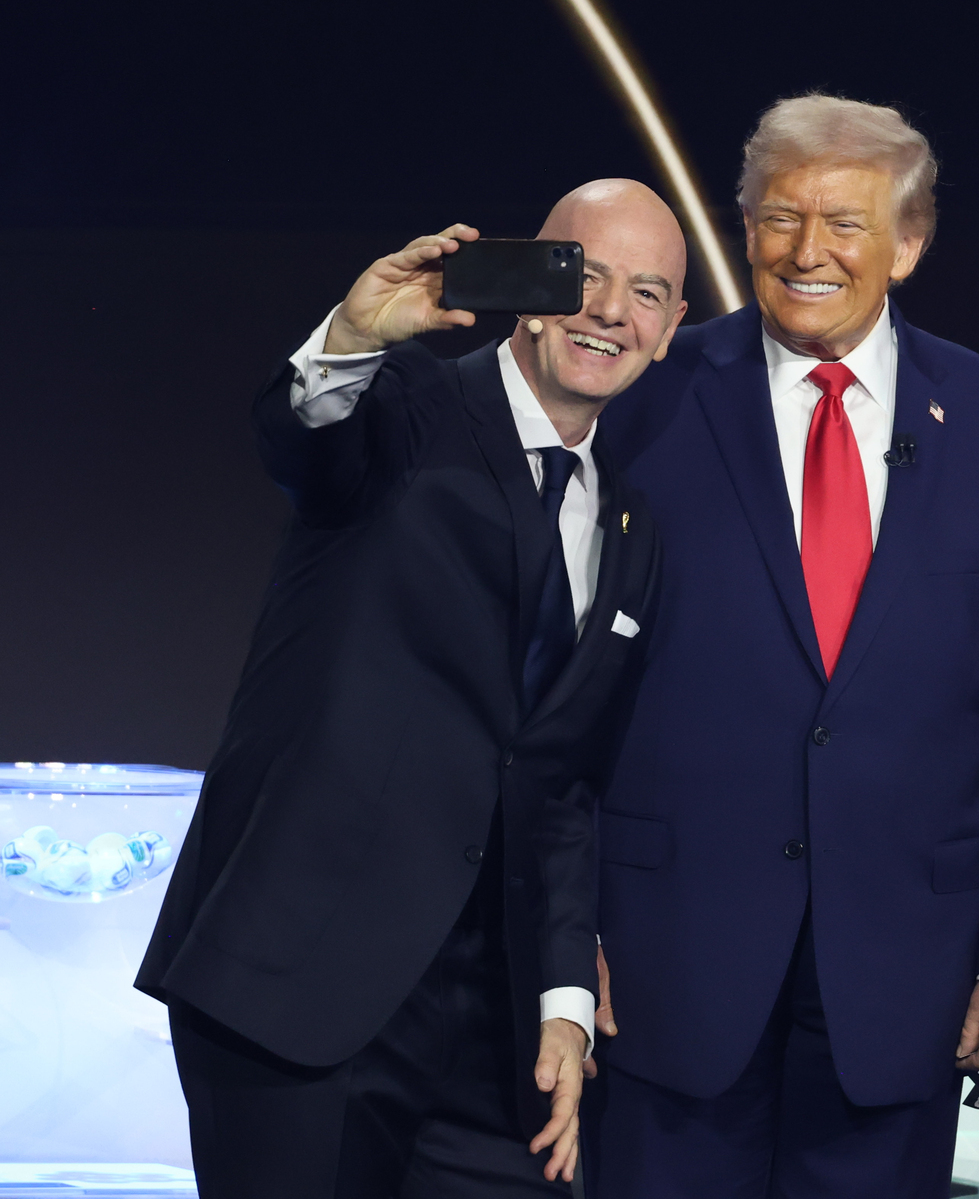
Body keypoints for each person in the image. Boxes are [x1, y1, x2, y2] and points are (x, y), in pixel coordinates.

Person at [136, 179, 686, 1196]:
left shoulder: (633, 530)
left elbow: (564, 783)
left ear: (671, 329)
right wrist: (353, 336)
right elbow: (303, 438)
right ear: (528, 286)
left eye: (647, 292)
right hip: (301, 988)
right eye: (585, 275)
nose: (612, 310)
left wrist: (565, 1000)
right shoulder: (407, 407)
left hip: (495, 1027)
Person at [581, 95, 979, 1198]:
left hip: (905, 970)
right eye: (781, 218)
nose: (808, 251)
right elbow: (567, 688)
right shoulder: (647, 397)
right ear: (746, 228)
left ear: (908, 244)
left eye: (846, 224)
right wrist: (568, 931)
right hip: (665, 960)